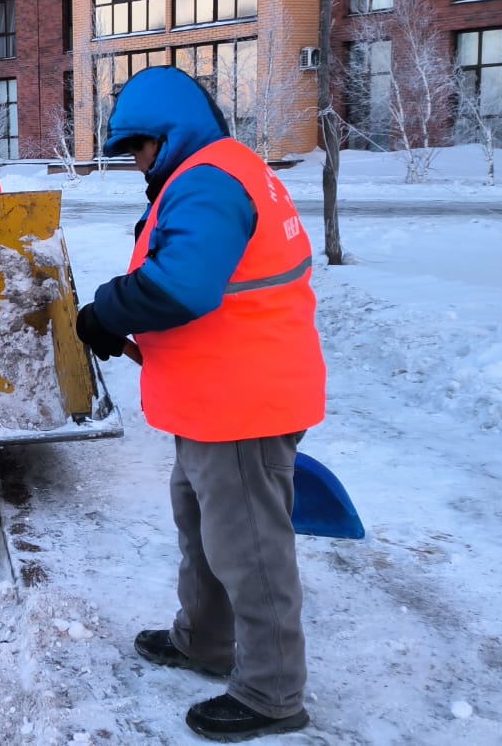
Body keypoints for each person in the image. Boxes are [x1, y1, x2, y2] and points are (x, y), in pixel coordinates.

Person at [73, 67, 325, 742]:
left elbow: (184, 285)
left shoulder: (210, 181)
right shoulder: (213, 172)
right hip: (215, 397)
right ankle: (206, 640)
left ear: (171, 133)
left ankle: (272, 690)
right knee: (204, 527)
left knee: (250, 548)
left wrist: (106, 311)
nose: (135, 164)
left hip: (243, 402)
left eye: (138, 149)